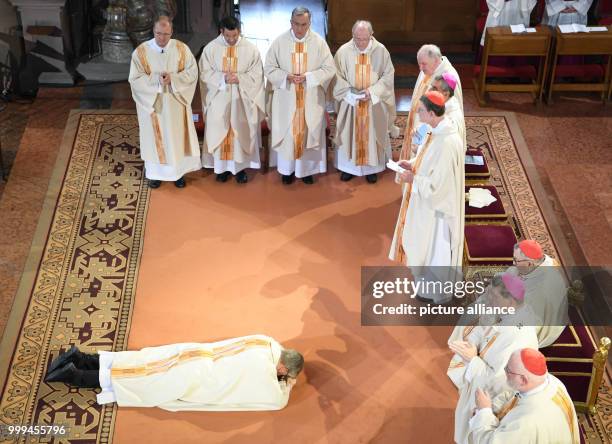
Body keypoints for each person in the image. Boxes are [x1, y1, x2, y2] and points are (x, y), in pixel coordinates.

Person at [44, 334, 304, 412]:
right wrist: (286, 384)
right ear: (282, 369)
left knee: (140, 360)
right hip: (196, 378)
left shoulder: (267, 343)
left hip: (194, 354)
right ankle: (72, 375)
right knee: (140, 382)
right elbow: (277, 399)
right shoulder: (269, 383)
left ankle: (80, 358)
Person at [447, 273, 540, 444]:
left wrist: (472, 360)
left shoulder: (518, 338)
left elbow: (500, 382)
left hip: (491, 398)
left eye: (493, 296)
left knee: (474, 433)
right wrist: (473, 345)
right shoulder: (506, 310)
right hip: (478, 378)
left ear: (511, 301)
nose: (488, 299)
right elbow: (483, 328)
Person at [389, 92, 464, 297]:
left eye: (420, 110)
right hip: (427, 202)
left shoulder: (446, 142)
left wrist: (413, 179)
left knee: (434, 251)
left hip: (436, 210)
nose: (417, 113)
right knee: (425, 248)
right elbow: (428, 161)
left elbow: (440, 185)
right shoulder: (437, 132)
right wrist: (412, 164)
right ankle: (424, 286)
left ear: (431, 113)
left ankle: (434, 292)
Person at [263, 6, 336, 185]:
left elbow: (329, 69)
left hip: (310, 98)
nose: (300, 29)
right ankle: (287, 171)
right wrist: (286, 77)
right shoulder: (279, 42)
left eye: (304, 24)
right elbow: (269, 68)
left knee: (308, 132)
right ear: (291, 23)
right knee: (288, 134)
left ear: (310, 23)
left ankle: (306, 171)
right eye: (296, 24)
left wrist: (309, 77)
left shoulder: (319, 43)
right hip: (287, 98)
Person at [129, 16, 201, 189]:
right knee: (155, 140)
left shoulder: (182, 49)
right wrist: (156, 81)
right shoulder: (141, 52)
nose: (162, 38)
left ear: (172, 32)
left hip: (175, 104)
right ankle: (155, 174)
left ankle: (177, 174)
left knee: (176, 138)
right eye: (158, 33)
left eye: (166, 34)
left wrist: (173, 79)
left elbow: (192, 73)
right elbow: (135, 79)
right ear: (153, 31)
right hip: (153, 106)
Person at [199, 16, 265, 184]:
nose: (231, 39)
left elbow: (257, 75)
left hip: (241, 100)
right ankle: (221, 169)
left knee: (239, 132)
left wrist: (239, 79)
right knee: (220, 130)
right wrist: (222, 79)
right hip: (219, 98)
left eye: (234, 36)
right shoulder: (211, 49)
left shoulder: (250, 49)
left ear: (239, 32)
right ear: (222, 31)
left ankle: (240, 169)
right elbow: (204, 73)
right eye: (227, 36)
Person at [332, 20, 397, 184]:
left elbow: (388, 76)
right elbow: (335, 76)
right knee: (349, 133)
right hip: (350, 102)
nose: (360, 43)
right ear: (352, 35)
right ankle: (349, 168)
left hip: (372, 103)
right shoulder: (343, 51)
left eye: (364, 39)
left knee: (372, 134)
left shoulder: (381, 51)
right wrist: (349, 92)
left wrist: (372, 92)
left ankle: (371, 169)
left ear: (371, 35)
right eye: (357, 38)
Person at [469, 348, 579, 443]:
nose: (504, 371)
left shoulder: (526, 423)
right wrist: (492, 406)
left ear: (523, 379)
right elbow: (514, 395)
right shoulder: (550, 382)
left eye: (508, 370)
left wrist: (484, 412)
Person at [400, 44, 462, 161]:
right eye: (419, 64)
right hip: (421, 128)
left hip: (433, 135)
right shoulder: (428, 69)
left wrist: (423, 132)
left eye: (423, 64)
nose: (421, 68)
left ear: (436, 60)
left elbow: (445, 114)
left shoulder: (448, 78)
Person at [508, 240, 568, 347]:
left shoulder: (540, 292)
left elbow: (533, 324)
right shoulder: (540, 262)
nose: (513, 263)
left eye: (516, 260)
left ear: (530, 263)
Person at [429, 72, 465, 154]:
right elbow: (429, 130)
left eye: (434, 88)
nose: (430, 91)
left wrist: (420, 148)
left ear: (445, 93)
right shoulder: (439, 105)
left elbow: (442, 144)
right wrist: (420, 134)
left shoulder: (451, 118)